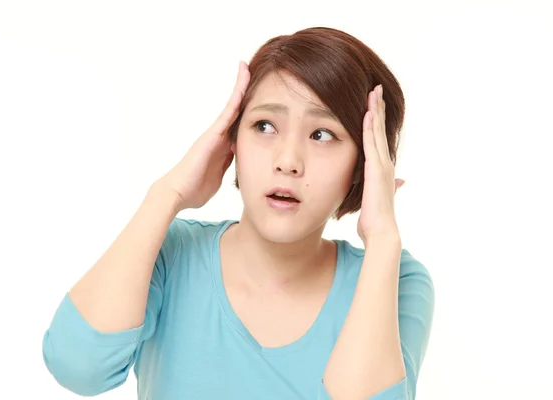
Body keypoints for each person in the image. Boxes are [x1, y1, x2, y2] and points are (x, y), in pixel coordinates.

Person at [42, 27, 434, 400]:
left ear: (365, 165)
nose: (288, 161)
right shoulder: (171, 251)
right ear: (232, 140)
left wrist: (383, 239)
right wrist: (167, 194)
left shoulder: (397, 279)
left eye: (322, 134)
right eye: (264, 126)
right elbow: (78, 367)